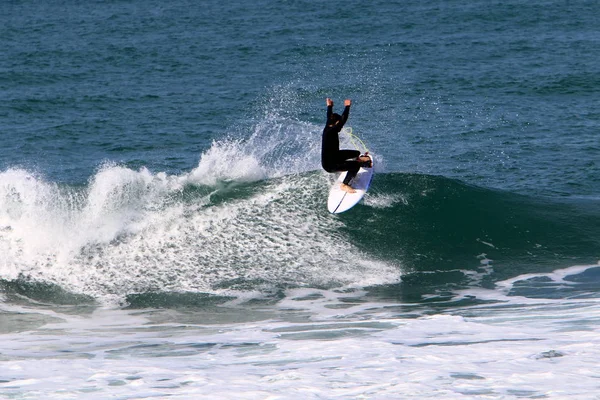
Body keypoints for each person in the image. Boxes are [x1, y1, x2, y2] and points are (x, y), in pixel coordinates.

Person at [321, 98, 371, 193]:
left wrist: (329, 106)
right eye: (339, 125)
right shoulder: (332, 131)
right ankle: (345, 184)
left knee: (356, 153)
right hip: (330, 165)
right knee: (356, 165)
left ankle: (357, 161)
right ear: (336, 123)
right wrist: (347, 107)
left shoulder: (328, 126)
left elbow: (329, 117)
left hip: (335, 156)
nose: (341, 127)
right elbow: (343, 120)